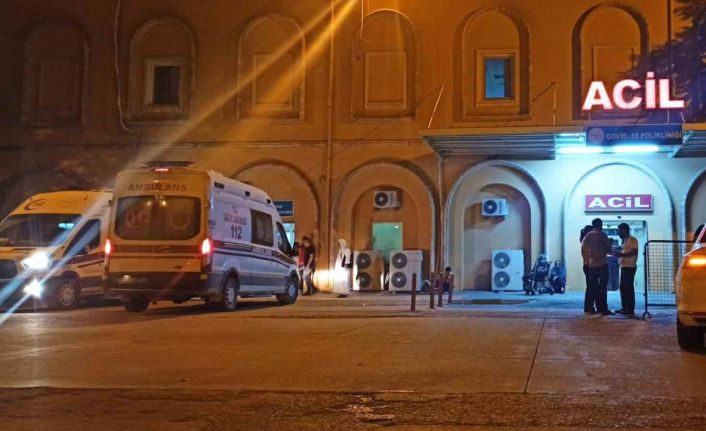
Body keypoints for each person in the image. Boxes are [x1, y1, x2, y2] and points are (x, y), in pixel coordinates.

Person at [581, 218, 614, 315]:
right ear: (600, 224)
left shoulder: (588, 236)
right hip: (602, 264)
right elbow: (608, 249)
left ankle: (589, 308)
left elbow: (584, 249)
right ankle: (602, 308)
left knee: (592, 288)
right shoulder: (602, 235)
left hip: (591, 265)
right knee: (602, 288)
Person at [614, 223, 638, 315]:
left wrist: (622, 254)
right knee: (623, 288)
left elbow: (634, 251)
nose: (618, 232)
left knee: (628, 288)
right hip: (623, 266)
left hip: (630, 266)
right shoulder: (624, 240)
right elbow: (624, 251)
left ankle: (630, 309)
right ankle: (624, 307)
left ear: (624, 230)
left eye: (619, 230)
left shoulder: (633, 239)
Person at [580, 225, 596, 313]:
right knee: (591, 287)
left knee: (590, 287)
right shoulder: (587, 241)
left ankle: (589, 307)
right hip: (589, 265)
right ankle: (589, 307)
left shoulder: (585, 240)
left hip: (587, 265)